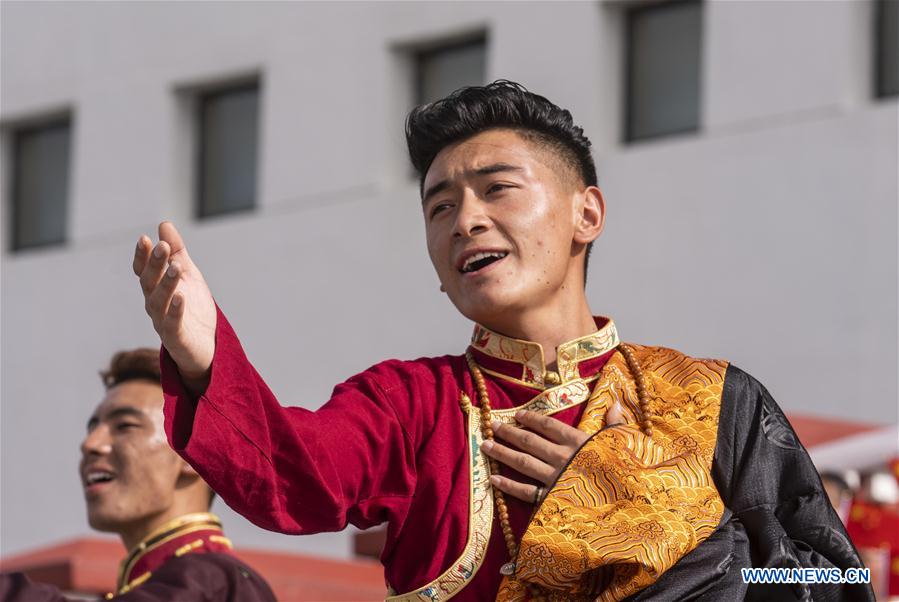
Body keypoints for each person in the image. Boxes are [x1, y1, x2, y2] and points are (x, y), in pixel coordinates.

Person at [132, 81, 873, 601]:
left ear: (586, 213)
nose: (465, 221)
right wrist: (206, 360)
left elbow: (834, 581)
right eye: (440, 207)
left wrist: (653, 519)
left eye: (496, 189)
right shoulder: (408, 404)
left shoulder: (713, 399)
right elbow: (295, 475)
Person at [0, 349, 276, 601]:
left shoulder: (214, 582)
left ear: (192, 454)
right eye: (92, 428)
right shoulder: (191, 580)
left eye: (125, 426)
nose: (90, 444)